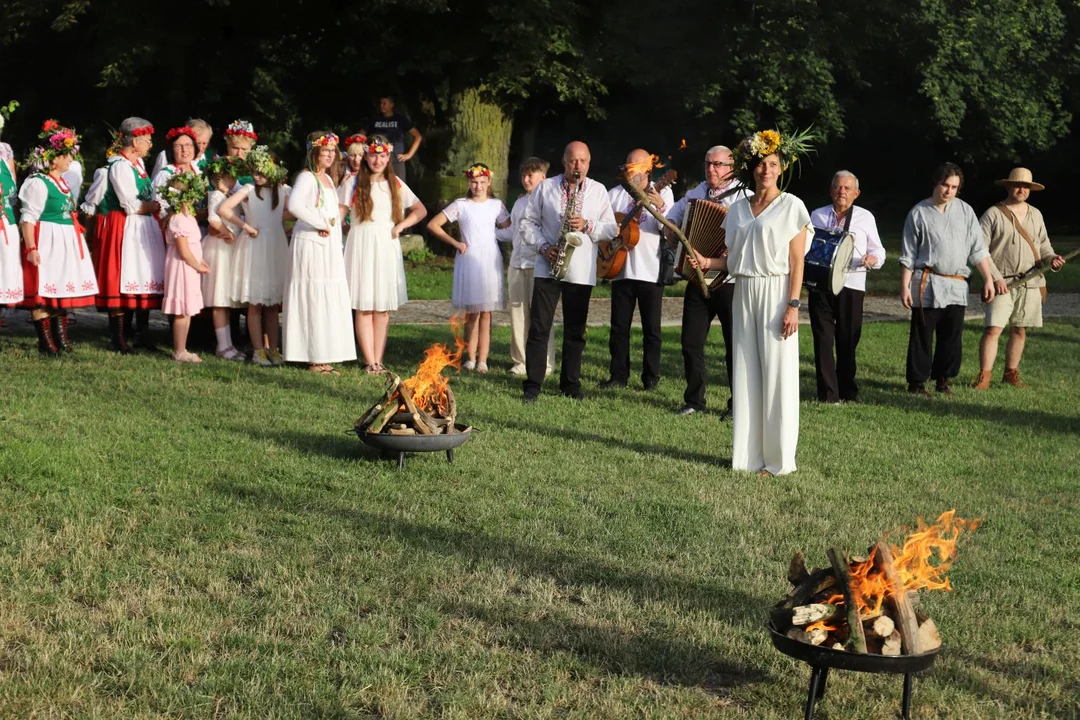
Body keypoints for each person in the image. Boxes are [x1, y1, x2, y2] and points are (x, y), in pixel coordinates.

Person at [710, 129, 816, 476]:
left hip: (776, 292)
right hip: (744, 293)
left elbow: (797, 261)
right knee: (745, 372)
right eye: (761, 164)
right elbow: (734, 259)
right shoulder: (738, 209)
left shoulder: (792, 206)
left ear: (781, 168)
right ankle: (746, 458)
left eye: (772, 164)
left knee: (776, 375)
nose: (766, 170)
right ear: (752, 169)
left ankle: (779, 461)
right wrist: (706, 262)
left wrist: (793, 305)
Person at [520, 141, 618, 401]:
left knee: (575, 330)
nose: (578, 166)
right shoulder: (546, 187)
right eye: (573, 161)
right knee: (539, 328)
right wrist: (543, 247)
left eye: (583, 161)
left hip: (581, 269)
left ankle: (570, 384)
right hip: (547, 265)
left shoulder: (598, 191)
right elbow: (527, 222)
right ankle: (533, 384)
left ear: (589, 162)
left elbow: (611, 229)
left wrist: (587, 225)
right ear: (564, 161)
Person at [668, 145, 752, 417]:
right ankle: (694, 400)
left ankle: (737, 405)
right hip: (697, 278)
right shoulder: (696, 193)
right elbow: (672, 219)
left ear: (732, 168)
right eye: (708, 163)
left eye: (718, 164)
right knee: (691, 343)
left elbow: (751, 238)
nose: (711, 169)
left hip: (729, 280)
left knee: (734, 345)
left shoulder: (745, 197)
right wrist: (673, 235)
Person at [900, 163, 996, 396]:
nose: (949, 191)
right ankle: (917, 383)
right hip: (927, 283)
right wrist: (904, 286)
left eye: (954, 187)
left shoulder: (965, 211)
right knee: (922, 335)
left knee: (951, 337)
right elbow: (908, 254)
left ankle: (943, 379)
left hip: (957, 284)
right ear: (936, 183)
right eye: (945, 185)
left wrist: (989, 279)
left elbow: (978, 250)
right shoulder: (919, 212)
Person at [338, 135, 427, 374]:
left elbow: (420, 209)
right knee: (364, 304)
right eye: (374, 155)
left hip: (386, 244)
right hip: (362, 243)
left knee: (382, 307)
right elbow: (338, 213)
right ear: (366, 156)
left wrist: (400, 226)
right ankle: (370, 361)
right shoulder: (353, 182)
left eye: (383, 155)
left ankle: (379, 359)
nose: (378, 160)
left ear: (389, 157)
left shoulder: (394, 183)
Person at [972, 168, 1067, 390]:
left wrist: (1052, 259)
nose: (1021, 189)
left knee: (1019, 329)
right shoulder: (993, 214)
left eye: (1026, 186)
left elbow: (1044, 246)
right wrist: (995, 278)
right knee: (993, 328)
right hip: (1002, 283)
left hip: (1032, 282)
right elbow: (979, 250)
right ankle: (984, 376)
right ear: (1008, 186)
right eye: (1017, 185)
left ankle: (1010, 374)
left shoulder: (1036, 214)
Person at [17, 121, 99, 355]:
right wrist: (32, 247)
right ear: (53, 159)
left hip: (64, 238)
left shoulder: (61, 182)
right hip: (47, 238)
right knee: (43, 290)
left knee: (60, 287)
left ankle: (61, 338)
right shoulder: (37, 183)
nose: (70, 159)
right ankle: (46, 342)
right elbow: (29, 218)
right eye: (66, 155)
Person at [807, 170, 886, 403]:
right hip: (821, 285)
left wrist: (873, 260)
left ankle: (847, 391)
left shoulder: (865, 217)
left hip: (851, 284)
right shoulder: (816, 215)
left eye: (847, 188)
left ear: (856, 193)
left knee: (847, 339)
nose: (842, 192)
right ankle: (828, 394)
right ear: (831, 190)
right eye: (838, 187)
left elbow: (879, 250)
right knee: (822, 339)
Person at [282, 131, 356, 374]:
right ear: (314, 152)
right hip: (311, 243)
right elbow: (294, 206)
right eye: (325, 151)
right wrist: (319, 223)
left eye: (332, 151)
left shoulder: (328, 179)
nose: (330, 155)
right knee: (313, 295)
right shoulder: (306, 177)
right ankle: (312, 356)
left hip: (328, 245)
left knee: (327, 296)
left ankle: (324, 354)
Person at [599, 148, 673, 391]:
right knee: (619, 328)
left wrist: (660, 206)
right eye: (628, 165)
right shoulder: (615, 194)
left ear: (648, 167)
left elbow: (671, 229)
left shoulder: (664, 191)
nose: (631, 170)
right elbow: (605, 228)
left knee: (652, 330)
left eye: (636, 166)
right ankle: (618, 375)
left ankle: (651, 378)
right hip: (620, 269)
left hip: (650, 270)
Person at [427, 163, 511, 372]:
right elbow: (434, 224)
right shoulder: (461, 205)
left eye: (482, 182)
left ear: (489, 182)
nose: (478, 186)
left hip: (489, 258)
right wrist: (456, 243)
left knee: (486, 312)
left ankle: (483, 359)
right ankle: (470, 357)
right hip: (469, 257)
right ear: (469, 182)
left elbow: (510, 229)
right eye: (474, 182)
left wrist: (494, 236)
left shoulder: (496, 205)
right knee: (472, 312)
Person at [93, 117, 165, 353]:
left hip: (143, 225)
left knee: (143, 275)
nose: (150, 145)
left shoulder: (139, 165)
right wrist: (153, 207)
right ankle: (119, 337)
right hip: (126, 225)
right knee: (124, 276)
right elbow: (130, 204)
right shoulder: (120, 166)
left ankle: (142, 335)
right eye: (147, 140)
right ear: (135, 141)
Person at [219, 146, 291, 366]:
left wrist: (280, 222)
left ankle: (273, 348)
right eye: (255, 171)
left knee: (271, 303)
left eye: (261, 171)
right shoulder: (249, 189)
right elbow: (224, 209)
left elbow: (292, 210)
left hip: (275, 244)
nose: (257, 176)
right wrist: (245, 225)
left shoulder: (283, 191)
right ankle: (258, 349)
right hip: (255, 245)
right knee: (255, 302)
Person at [496, 157, 554, 375]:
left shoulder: (549, 201)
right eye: (524, 175)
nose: (526, 179)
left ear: (543, 177)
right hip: (517, 264)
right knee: (518, 315)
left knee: (540, 316)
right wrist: (488, 235)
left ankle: (545, 362)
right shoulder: (520, 202)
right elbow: (513, 232)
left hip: (539, 264)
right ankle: (520, 361)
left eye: (531, 175)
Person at [159, 171, 210, 362]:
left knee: (188, 308)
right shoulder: (178, 219)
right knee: (182, 308)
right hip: (182, 268)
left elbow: (193, 245)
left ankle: (183, 348)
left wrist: (200, 260)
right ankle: (179, 350)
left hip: (190, 267)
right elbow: (183, 251)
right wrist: (197, 265)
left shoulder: (188, 216)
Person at [363, 95, 422, 181]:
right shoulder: (374, 119)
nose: (381, 105)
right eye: (380, 103)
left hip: (396, 161)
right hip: (378, 161)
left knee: (398, 189)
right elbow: (361, 135)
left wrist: (409, 155)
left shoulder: (400, 119)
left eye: (384, 103)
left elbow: (418, 136)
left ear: (392, 105)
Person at [0, 109, 21, 334]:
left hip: (4, 212)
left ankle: (3, 305)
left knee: (5, 258)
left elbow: (12, 181)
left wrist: (9, 204)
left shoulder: (4, 149)